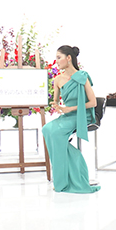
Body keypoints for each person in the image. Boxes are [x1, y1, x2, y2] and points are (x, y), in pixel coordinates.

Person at [42, 45, 101, 194]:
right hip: (68, 115)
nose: (56, 61)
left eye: (59, 57)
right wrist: (56, 106)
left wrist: (70, 109)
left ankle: (64, 180)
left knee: (56, 134)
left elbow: (93, 103)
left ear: (68, 58)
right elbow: (56, 101)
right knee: (46, 129)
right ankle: (71, 168)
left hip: (82, 114)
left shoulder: (82, 77)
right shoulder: (57, 79)